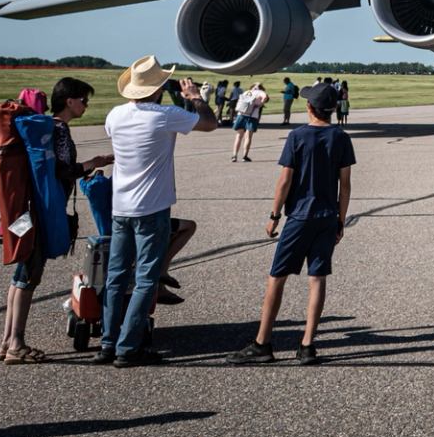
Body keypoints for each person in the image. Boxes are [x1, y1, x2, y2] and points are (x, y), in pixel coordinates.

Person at [101, 56, 218, 364]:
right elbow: (209, 123)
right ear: (157, 89)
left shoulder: (115, 115)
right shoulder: (164, 115)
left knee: (116, 277)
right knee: (145, 279)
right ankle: (128, 348)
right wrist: (195, 98)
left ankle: (108, 342)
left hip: (120, 207)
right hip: (151, 208)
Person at [229, 81, 354, 364]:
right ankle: (308, 345)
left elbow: (285, 180)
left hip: (299, 216)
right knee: (317, 278)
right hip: (326, 217)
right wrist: (340, 220)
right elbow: (345, 185)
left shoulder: (297, 136)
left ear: (309, 107)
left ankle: (263, 343)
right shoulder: (341, 137)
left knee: (277, 277)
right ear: (333, 109)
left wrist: (274, 215)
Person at [0, 77, 112, 363]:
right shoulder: (59, 130)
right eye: (83, 100)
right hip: (42, 211)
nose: (86, 105)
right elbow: (63, 170)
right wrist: (94, 162)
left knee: (20, 276)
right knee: (29, 277)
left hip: (28, 210)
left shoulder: (47, 128)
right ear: (69, 100)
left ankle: (7, 341)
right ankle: (16, 345)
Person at [229, 82, 267, 162]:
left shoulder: (247, 92)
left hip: (241, 115)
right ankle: (244, 156)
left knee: (238, 136)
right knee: (248, 137)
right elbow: (265, 97)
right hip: (252, 116)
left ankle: (234, 155)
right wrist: (261, 104)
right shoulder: (260, 92)